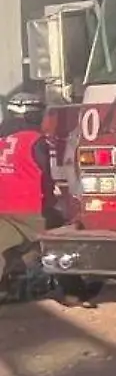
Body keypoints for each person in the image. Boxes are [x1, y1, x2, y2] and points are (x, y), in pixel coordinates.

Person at [0, 89, 57, 298]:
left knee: (8, 245)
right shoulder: (35, 140)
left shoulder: (2, 138)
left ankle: (9, 285)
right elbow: (46, 178)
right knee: (64, 236)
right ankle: (73, 293)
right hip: (29, 207)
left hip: (2, 206)